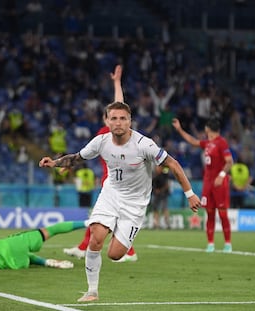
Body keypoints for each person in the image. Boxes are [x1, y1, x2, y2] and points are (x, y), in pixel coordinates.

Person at [39, 101, 201, 302]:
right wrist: (55, 163)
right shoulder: (101, 141)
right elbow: (77, 157)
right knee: (96, 237)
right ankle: (92, 291)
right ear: (107, 121)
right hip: (111, 195)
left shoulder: (144, 145)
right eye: (113, 118)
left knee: (115, 254)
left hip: (135, 204)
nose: (118, 122)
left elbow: (173, 164)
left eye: (123, 118)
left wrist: (190, 193)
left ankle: (117, 229)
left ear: (130, 121)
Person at [63, 65, 138, 263]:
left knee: (103, 218)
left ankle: (120, 251)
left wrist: (116, 83)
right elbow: (83, 155)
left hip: (120, 182)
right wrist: (66, 163)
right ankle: (125, 251)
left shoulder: (115, 132)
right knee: (105, 218)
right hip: (110, 179)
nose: (114, 119)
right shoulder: (102, 134)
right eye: (111, 116)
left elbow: (119, 102)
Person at [172, 117, 233, 253]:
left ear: (208, 128)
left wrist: (221, 175)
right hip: (208, 183)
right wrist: (180, 130)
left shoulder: (221, 143)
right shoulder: (208, 143)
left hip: (219, 183)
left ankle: (228, 244)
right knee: (209, 213)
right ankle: (210, 244)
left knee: (223, 214)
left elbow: (229, 161)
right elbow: (193, 141)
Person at [151, 165, 171, 229]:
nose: (157, 169)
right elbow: (152, 185)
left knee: (164, 208)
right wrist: (155, 190)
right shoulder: (154, 175)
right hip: (156, 195)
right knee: (155, 209)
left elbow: (167, 185)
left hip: (164, 194)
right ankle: (156, 224)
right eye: (156, 167)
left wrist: (160, 190)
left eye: (159, 167)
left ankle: (167, 224)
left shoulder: (165, 175)